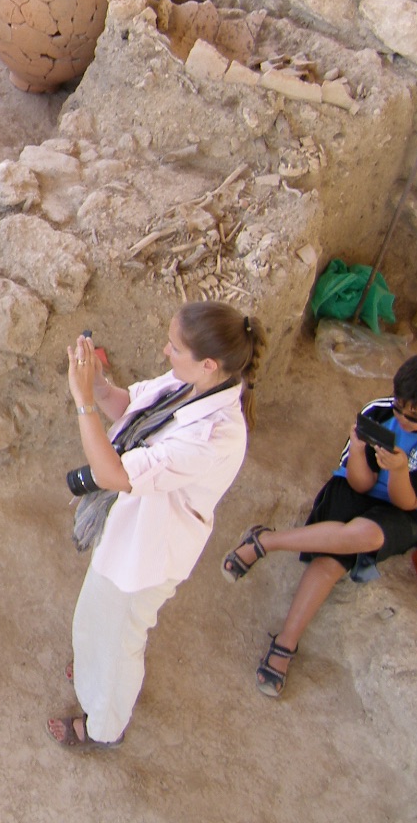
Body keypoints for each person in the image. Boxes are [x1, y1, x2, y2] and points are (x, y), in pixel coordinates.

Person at [49, 302, 262, 750]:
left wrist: (83, 400)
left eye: (175, 346)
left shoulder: (214, 437)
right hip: (128, 529)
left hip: (147, 554)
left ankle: (103, 727)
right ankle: (90, 669)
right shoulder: (191, 382)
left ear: (207, 363)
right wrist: (101, 386)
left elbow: (112, 475)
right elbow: (131, 407)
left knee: (120, 642)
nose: (166, 350)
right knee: (95, 616)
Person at [221, 353, 417, 698]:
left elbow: (407, 502)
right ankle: (285, 643)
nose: (402, 419)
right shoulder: (378, 412)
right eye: (399, 408)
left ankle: (268, 541)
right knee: (330, 561)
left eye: (415, 418)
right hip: (359, 486)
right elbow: (359, 484)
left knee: (364, 535)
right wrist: (357, 446)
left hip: (407, 507)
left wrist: (398, 469)